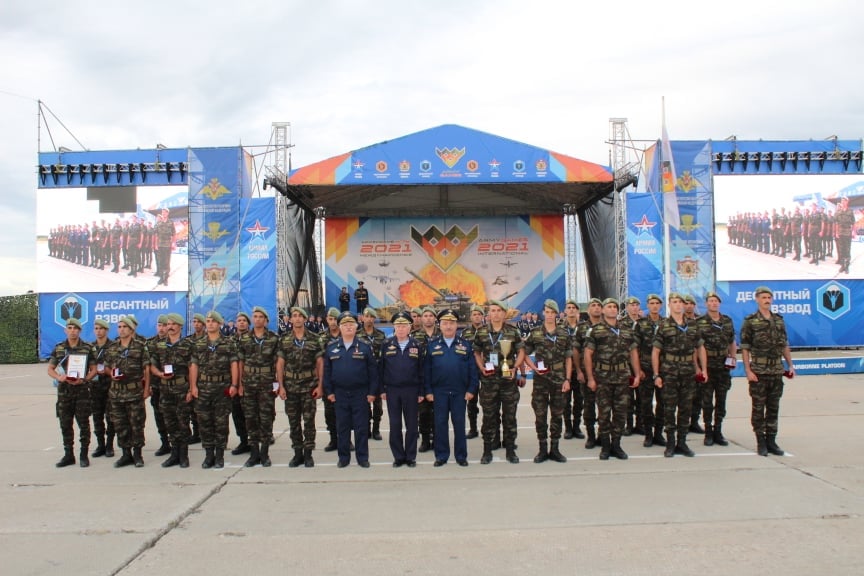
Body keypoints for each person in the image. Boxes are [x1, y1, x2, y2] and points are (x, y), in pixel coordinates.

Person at [740, 286, 795, 457]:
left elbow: (784, 344)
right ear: (757, 299)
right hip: (759, 371)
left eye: (769, 297)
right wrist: (748, 370)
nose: (767, 300)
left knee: (773, 407)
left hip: (776, 370)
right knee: (758, 408)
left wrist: (790, 365)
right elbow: (745, 347)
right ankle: (761, 441)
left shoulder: (778, 320)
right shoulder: (750, 321)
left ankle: (771, 441)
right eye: (763, 297)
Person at [584, 298, 641, 460]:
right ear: (603, 310)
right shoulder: (595, 330)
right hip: (603, 377)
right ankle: (605, 446)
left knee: (620, 413)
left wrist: (637, 374)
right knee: (604, 413)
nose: (612, 309)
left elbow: (633, 353)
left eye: (615, 307)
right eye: (609, 306)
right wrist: (590, 378)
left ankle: (616, 444)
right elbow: (588, 355)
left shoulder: (626, 330)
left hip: (622, 376)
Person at [651, 293, 707, 458]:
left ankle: (682, 442)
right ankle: (670, 443)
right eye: (674, 302)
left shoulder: (693, 325)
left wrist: (703, 369)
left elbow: (700, 348)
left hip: (688, 372)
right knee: (669, 408)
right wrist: (656, 374)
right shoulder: (663, 326)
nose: (677, 305)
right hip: (669, 372)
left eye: (680, 302)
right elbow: (656, 351)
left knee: (686, 408)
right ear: (669, 305)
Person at [323, 312, 379, 468]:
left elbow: (373, 372)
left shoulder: (365, 347)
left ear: (356, 327)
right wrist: (329, 392)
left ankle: (362, 458)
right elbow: (327, 372)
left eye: (351, 325)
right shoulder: (332, 348)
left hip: (360, 393)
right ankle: (344, 458)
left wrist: (372, 392)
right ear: (340, 327)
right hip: (340, 393)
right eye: (345, 325)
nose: (348, 327)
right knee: (342, 427)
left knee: (361, 427)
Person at [472, 299, 525, 464]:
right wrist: (481, 367)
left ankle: (510, 451)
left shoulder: (513, 331)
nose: (495, 314)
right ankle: (487, 450)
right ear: (489, 313)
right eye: (493, 310)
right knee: (489, 417)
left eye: (499, 311)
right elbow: (476, 352)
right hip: (489, 382)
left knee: (510, 417)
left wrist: (515, 368)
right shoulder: (481, 332)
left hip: (508, 382)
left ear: (504, 313)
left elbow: (521, 352)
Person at [424, 309, 479, 467]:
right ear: (440, 325)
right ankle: (441, 456)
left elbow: (472, 370)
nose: (448, 326)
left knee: (459, 424)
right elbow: (426, 371)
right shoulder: (432, 345)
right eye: (445, 323)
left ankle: (461, 456)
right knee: (440, 425)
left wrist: (471, 389)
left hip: (459, 392)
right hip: (439, 392)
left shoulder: (465, 345)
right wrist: (428, 391)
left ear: (457, 325)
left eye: (451, 323)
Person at [523, 300, 572, 463]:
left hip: (559, 378)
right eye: (547, 312)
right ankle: (543, 449)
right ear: (543, 313)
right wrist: (533, 368)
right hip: (541, 379)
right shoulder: (536, 332)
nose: (550, 315)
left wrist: (567, 379)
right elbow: (524, 352)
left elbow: (568, 358)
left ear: (556, 314)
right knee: (540, 414)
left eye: (553, 312)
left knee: (557, 414)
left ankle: (555, 449)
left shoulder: (564, 333)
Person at [189, 311, 239, 469]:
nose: (210, 323)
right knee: (204, 422)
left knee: (221, 422)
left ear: (219, 324)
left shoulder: (228, 343)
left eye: (213, 321)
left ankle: (219, 455)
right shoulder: (199, 344)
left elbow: (234, 364)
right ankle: (208, 454)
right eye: (208, 321)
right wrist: (193, 386)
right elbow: (194, 366)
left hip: (222, 388)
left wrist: (234, 385)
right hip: (203, 388)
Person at [276, 306, 325, 468]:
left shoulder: (314, 338)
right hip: (290, 387)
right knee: (293, 421)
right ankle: (297, 453)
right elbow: (280, 364)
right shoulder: (284, 339)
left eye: (300, 316)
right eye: (294, 316)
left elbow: (320, 363)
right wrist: (281, 386)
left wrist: (320, 386)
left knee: (309, 421)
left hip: (309, 385)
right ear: (290, 319)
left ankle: (308, 453)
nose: (297, 318)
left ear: (304, 319)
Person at [47, 318, 97, 468]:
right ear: (65, 330)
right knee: (65, 424)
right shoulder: (59, 348)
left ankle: (83, 455)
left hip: (81, 391)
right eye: (69, 328)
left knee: (84, 424)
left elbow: (94, 369)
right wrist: (59, 377)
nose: (72, 331)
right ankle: (68, 455)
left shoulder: (87, 347)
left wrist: (85, 379)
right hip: (65, 392)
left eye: (75, 328)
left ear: (79, 331)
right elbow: (50, 369)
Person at [149, 313, 195, 468]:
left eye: (174, 324)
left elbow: (192, 367)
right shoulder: (160, 345)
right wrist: (159, 374)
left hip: (182, 388)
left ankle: (184, 455)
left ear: (180, 326)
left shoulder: (188, 345)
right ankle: (174, 454)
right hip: (165, 389)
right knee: (170, 422)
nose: (170, 327)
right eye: (168, 324)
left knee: (183, 422)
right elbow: (151, 364)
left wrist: (191, 389)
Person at [237, 307, 281, 467]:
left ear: (266, 320)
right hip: (249, 383)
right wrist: (240, 384)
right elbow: (240, 362)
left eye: (261, 317)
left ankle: (264, 453)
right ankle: (254, 453)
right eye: (255, 316)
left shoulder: (274, 338)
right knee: (250, 418)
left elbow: (278, 363)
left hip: (267, 383)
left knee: (266, 418)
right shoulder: (244, 339)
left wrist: (277, 384)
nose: (257, 319)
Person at [105, 316, 151, 468]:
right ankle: (126, 454)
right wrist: (111, 374)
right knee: (120, 424)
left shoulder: (140, 346)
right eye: (119, 327)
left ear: (131, 330)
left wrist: (146, 389)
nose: (121, 329)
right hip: (116, 393)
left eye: (125, 327)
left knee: (137, 424)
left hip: (134, 391)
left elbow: (146, 369)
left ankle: (137, 454)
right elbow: (106, 366)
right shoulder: (112, 347)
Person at [380, 311, 424, 467]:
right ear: (394, 327)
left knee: (412, 425)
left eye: (404, 325)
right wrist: (382, 389)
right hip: (392, 390)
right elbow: (381, 368)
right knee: (395, 425)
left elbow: (421, 370)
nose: (401, 329)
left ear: (410, 327)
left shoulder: (416, 345)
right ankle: (398, 457)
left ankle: (410, 457)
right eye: (398, 325)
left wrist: (421, 391)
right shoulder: (386, 344)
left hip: (411, 390)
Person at [696, 292, 737, 447]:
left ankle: (718, 431)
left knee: (721, 400)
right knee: (707, 401)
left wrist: (733, 357)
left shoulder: (727, 321)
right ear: (706, 304)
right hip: (707, 366)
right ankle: (708, 432)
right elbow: (696, 346)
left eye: (716, 301)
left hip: (723, 366)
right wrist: (700, 368)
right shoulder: (700, 322)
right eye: (711, 301)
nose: (713, 303)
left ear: (719, 303)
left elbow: (732, 341)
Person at [635, 294, 666, 448]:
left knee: (663, 403)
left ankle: (659, 433)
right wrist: (638, 370)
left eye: (657, 303)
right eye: (651, 303)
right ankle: (648, 434)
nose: (654, 306)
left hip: (664, 369)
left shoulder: (667, 323)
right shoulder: (640, 324)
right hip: (645, 369)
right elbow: (635, 349)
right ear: (647, 305)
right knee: (645, 404)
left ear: (660, 306)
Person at [412, 307, 441, 452]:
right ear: (421, 318)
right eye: (425, 315)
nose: (428, 318)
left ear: (435, 318)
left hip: (439, 379)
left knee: (438, 412)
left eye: (431, 315)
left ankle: (437, 440)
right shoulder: (414, 336)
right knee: (423, 412)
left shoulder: (442, 334)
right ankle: (424, 440)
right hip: (421, 380)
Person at [577, 298, 604, 449]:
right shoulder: (582, 328)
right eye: (593, 305)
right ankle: (591, 436)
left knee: (604, 407)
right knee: (588, 406)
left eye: (599, 305)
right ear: (588, 310)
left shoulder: (608, 326)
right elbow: (576, 351)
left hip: (605, 374)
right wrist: (579, 371)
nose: (596, 308)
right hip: (588, 373)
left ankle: (602, 435)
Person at [358, 307, 387, 441]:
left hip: (377, 375)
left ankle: (376, 429)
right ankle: (367, 429)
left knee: (378, 405)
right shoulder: (357, 335)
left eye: (371, 317)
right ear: (362, 318)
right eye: (367, 316)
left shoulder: (381, 335)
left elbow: (385, 356)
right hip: (362, 375)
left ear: (374, 319)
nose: (369, 319)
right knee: (364, 405)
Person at [459, 304, 486, 439]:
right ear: (471, 317)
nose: (477, 317)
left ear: (482, 316)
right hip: (471, 371)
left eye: (479, 314)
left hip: (486, 370)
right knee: (472, 401)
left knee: (488, 402)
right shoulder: (465, 333)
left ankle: (488, 429)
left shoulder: (488, 331)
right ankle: (473, 429)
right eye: (474, 314)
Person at [89, 318, 115, 458]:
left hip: (110, 385)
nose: (98, 331)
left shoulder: (113, 346)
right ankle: (100, 445)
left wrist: (108, 370)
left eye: (101, 329)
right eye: (96, 329)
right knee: (97, 416)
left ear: (107, 330)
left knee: (110, 417)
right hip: (95, 386)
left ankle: (110, 445)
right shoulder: (90, 347)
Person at [146, 316, 171, 458]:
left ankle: (176, 443)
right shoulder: (150, 343)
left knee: (172, 415)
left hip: (172, 386)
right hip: (157, 384)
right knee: (158, 414)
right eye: (159, 325)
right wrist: (148, 385)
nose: (162, 328)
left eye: (164, 325)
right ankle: (165, 442)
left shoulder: (174, 342)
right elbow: (147, 366)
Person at [561, 299, 585, 440]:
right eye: (568, 307)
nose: (571, 310)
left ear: (577, 311)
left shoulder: (584, 328)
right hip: (564, 371)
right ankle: (568, 428)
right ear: (565, 311)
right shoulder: (559, 328)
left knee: (579, 400)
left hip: (580, 369)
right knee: (565, 401)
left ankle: (577, 427)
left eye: (573, 308)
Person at [321, 307, 342, 452]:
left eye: (335, 319)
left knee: (345, 412)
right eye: (330, 319)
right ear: (327, 320)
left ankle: (346, 439)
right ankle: (333, 439)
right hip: (328, 381)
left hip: (344, 381)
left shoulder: (347, 336)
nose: (333, 322)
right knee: (329, 412)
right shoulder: (321, 338)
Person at [229, 312, 251, 456]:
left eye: (244, 320)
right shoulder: (229, 340)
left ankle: (255, 439)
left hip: (250, 381)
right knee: (237, 413)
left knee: (252, 413)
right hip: (233, 382)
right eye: (239, 320)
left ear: (248, 324)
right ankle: (243, 441)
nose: (241, 322)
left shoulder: (253, 339)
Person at [835, 196, 855, 274]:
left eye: (844, 201)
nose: (843, 202)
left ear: (847, 202)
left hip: (847, 232)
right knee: (841, 250)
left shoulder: (850, 211)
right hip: (840, 232)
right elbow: (836, 223)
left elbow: (853, 223)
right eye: (842, 201)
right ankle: (843, 265)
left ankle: (847, 267)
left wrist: (853, 232)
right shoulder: (838, 212)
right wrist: (836, 232)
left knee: (847, 250)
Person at [154, 208, 174, 286]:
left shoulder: (171, 222)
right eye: (162, 212)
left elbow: (174, 234)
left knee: (167, 262)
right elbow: (156, 235)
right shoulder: (159, 223)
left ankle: (166, 279)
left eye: (165, 212)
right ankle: (161, 278)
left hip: (168, 245)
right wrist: (156, 244)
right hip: (160, 245)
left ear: (167, 213)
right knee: (161, 262)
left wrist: (173, 243)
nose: (163, 213)